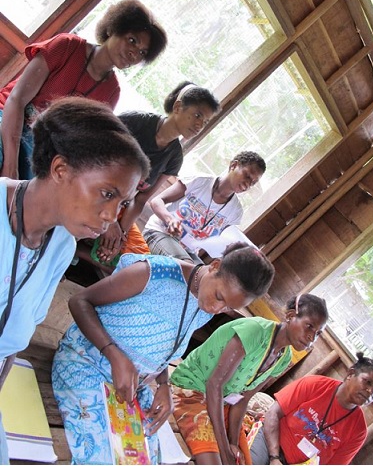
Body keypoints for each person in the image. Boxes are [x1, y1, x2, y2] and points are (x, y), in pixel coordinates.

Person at [0, 96, 150, 463]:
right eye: (108, 193)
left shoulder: (61, 246)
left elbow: (12, 346)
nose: (111, 217)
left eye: (122, 203)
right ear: (61, 169)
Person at [51, 242, 275, 464]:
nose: (217, 309)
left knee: (139, 460)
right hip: (86, 361)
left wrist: (164, 384)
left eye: (227, 307)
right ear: (215, 266)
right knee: (102, 458)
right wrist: (113, 354)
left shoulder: (204, 301)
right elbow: (80, 302)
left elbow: (165, 344)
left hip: (131, 386)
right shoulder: (153, 274)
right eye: (219, 297)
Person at [0, 0, 167, 179]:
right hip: (7, 117)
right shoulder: (66, 46)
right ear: (112, 28)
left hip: (39, 148)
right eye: (132, 40)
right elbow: (17, 99)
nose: (134, 53)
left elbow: (72, 142)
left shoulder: (111, 93)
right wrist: (10, 167)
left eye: (142, 52)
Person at [170, 293, 329, 465]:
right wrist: (224, 449)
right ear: (291, 316)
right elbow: (214, 384)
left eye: (318, 333)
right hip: (191, 389)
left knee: (243, 460)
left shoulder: (284, 358)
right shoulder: (255, 332)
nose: (311, 338)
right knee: (213, 461)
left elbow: (242, 399)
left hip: (221, 403)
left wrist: (232, 443)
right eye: (309, 327)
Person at [94, 81, 220, 264]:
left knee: (136, 255)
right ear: (178, 107)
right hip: (93, 191)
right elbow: (95, 164)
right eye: (197, 115)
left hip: (119, 209)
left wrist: (119, 233)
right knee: (95, 225)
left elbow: (141, 199)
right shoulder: (136, 122)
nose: (200, 124)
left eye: (205, 121)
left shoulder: (175, 156)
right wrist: (110, 221)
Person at [250, 352, 373, 465]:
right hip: (270, 443)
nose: (370, 392)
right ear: (350, 374)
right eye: (367, 382)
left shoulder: (359, 430)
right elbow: (273, 413)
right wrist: (274, 458)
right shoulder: (314, 384)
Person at [142, 150, 266, 263]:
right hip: (160, 232)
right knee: (188, 268)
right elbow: (157, 201)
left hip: (188, 251)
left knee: (202, 278)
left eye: (253, 182)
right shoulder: (200, 181)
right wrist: (170, 220)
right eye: (247, 176)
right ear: (233, 165)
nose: (248, 184)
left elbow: (220, 242)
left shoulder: (235, 212)